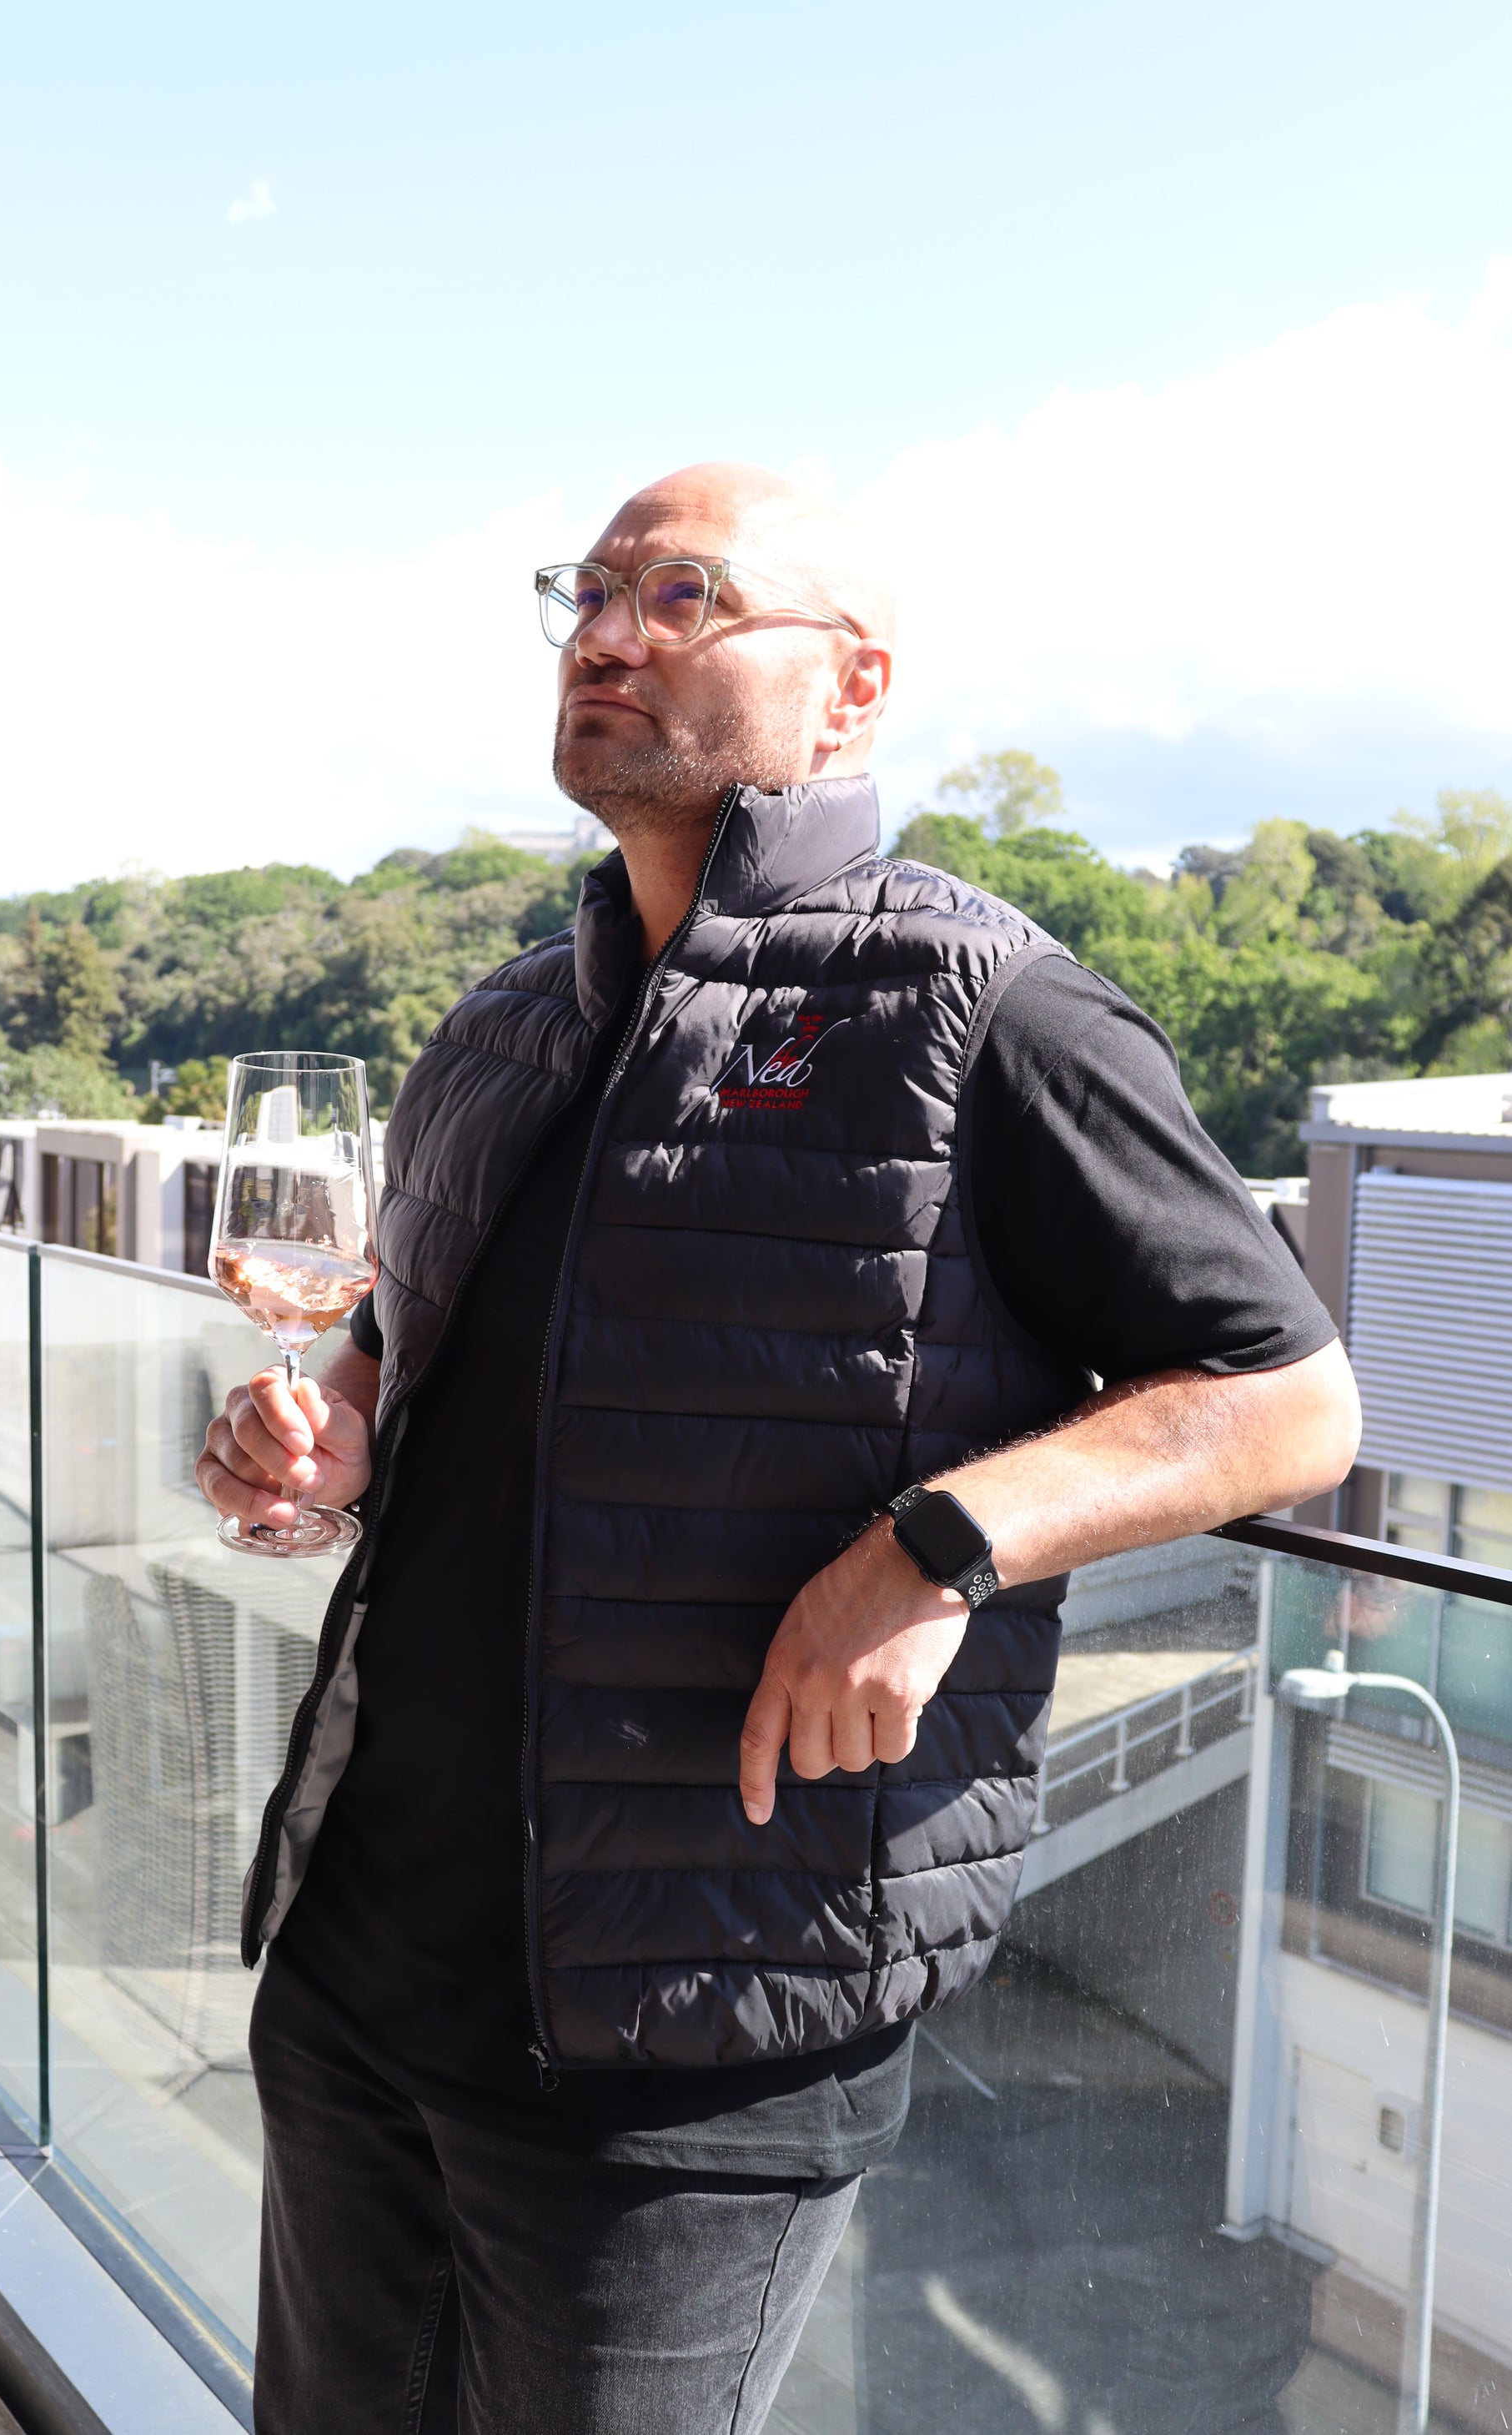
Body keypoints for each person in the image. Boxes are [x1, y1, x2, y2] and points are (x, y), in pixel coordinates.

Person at [198, 461, 1361, 2435]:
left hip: (690, 2038)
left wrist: (938, 1543)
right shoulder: (500, 1024)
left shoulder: (989, 1010)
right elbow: (415, 1347)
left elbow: (1288, 1399)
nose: (605, 631)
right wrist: (333, 1441)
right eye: (586, 590)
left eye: (684, 594)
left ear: (854, 685)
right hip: (357, 1969)